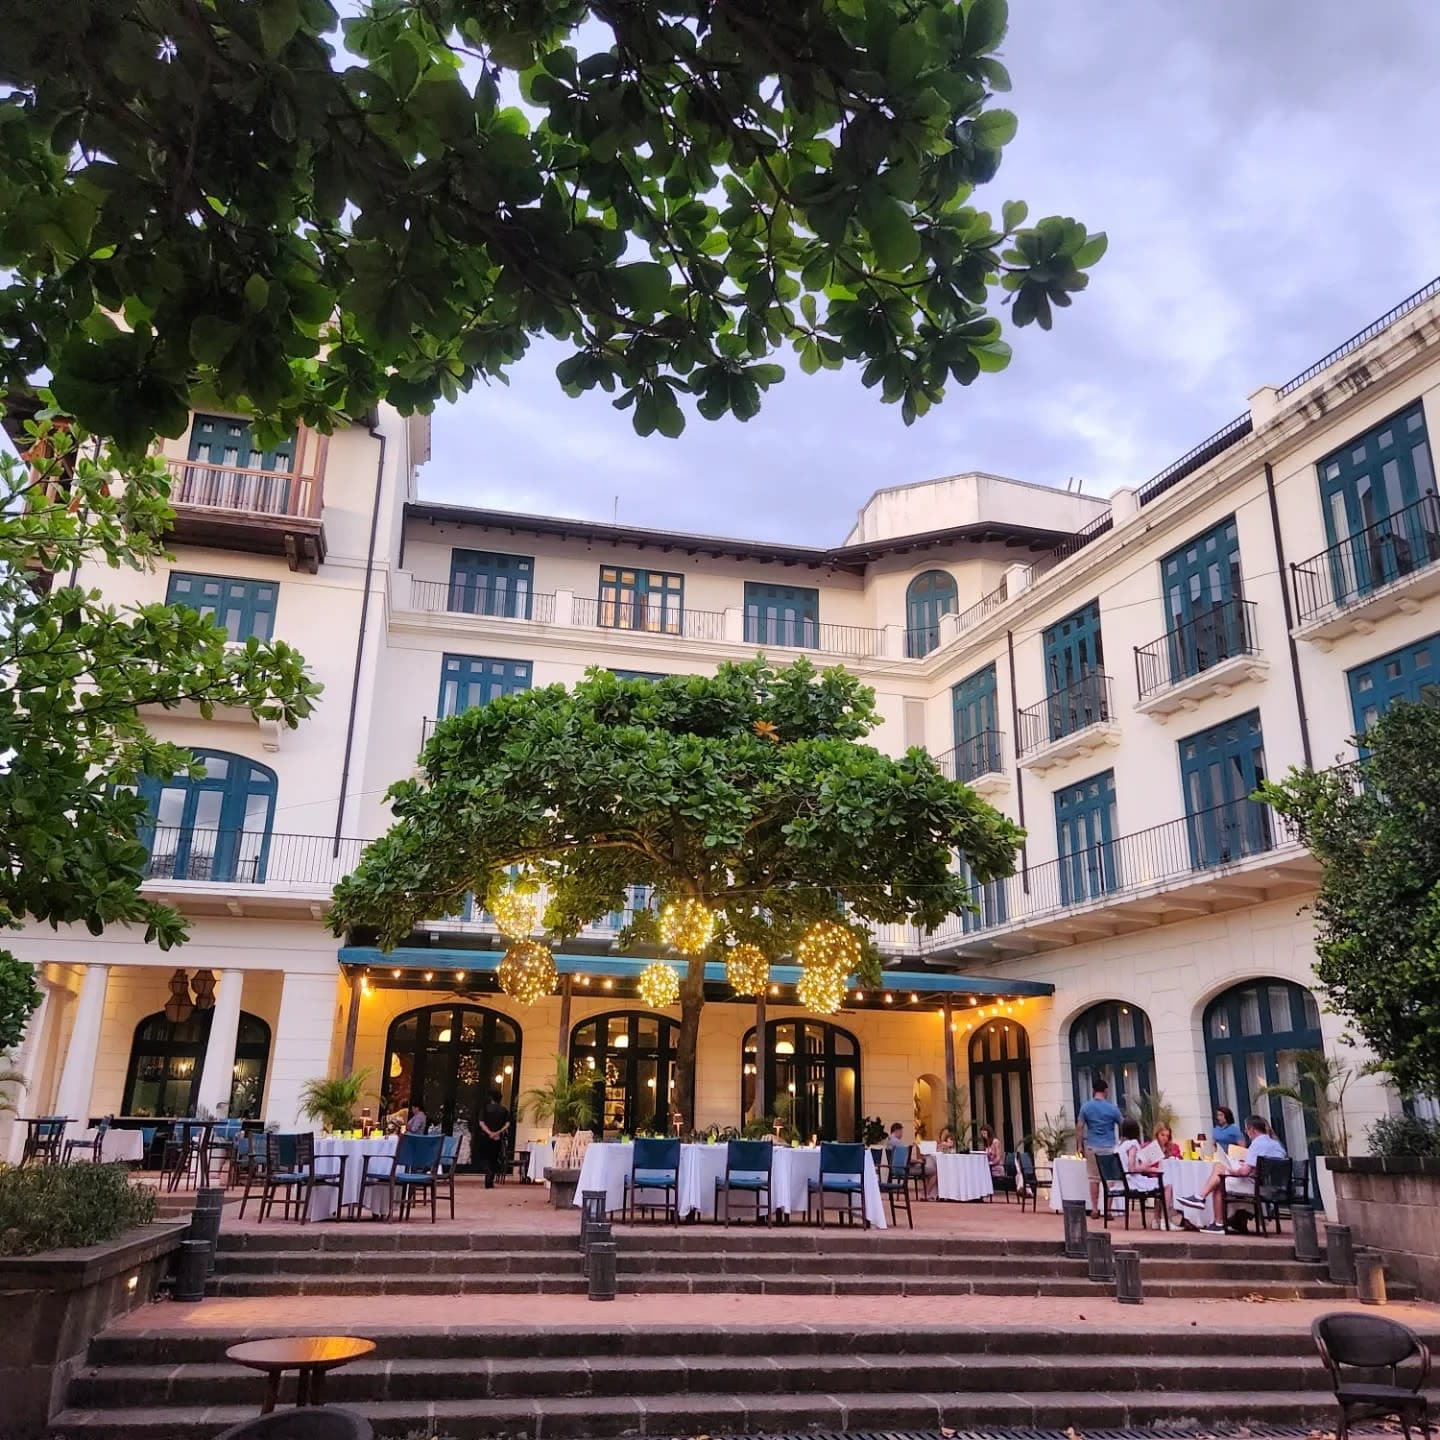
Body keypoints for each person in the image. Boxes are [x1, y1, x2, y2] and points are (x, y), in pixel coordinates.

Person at [1175, 1114, 1286, 1233]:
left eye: (1246, 1130)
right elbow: (1262, 1166)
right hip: (1274, 1186)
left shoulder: (1257, 1144)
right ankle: (1202, 1200)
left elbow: (1244, 1172)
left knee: (1220, 1177)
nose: (1246, 1133)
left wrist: (1233, 1170)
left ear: (1252, 1130)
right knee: (1221, 1172)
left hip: (1259, 1187)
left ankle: (1216, 1220)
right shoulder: (1276, 1144)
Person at [1075, 1077, 1124, 1219]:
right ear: (1106, 1091)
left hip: (1092, 1147)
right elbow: (1123, 1124)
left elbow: (1079, 1127)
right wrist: (1121, 1140)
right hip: (1109, 1147)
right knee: (1109, 1180)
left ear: (1093, 1091)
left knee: (1093, 1179)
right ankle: (1108, 1211)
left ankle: (1095, 1209)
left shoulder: (1086, 1107)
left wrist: (1079, 1145)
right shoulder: (1112, 1108)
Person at [1117, 1117, 1172, 1224]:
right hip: (1133, 1181)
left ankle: (1157, 1220)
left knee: (1160, 1182)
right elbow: (1132, 1168)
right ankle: (1165, 1219)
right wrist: (1147, 1167)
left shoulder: (1120, 1145)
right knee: (1167, 1185)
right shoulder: (1132, 1145)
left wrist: (1149, 1168)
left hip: (1125, 1180)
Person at [472, 1087, 512, 1189]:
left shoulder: (485, 1109)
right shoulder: (504, 1110)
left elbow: (481, 1123)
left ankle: (488, 1174)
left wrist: (489, 1133)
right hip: (497, 1138)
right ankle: (490, 1180)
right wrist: (497, 1132)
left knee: (484, 1157)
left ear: (491, 1098)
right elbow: (507, 1124)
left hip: (485, 1137)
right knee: (493, 1159)